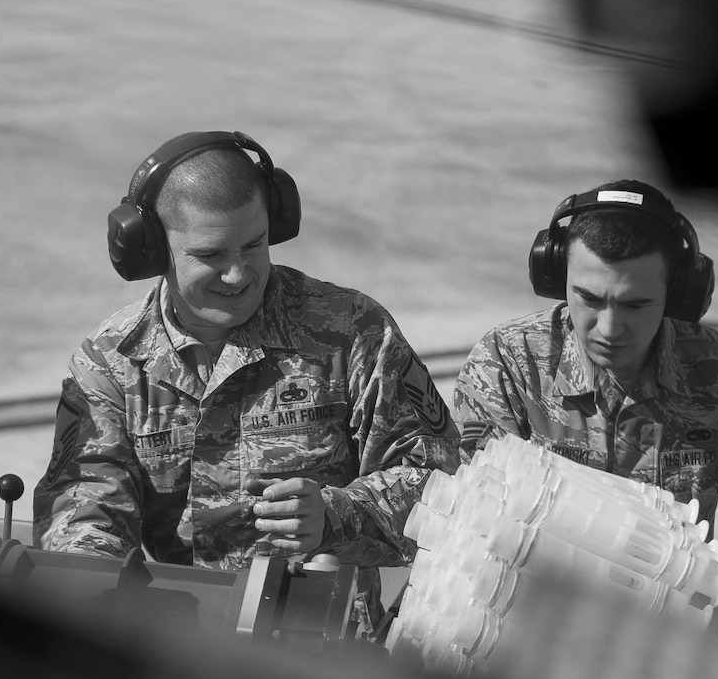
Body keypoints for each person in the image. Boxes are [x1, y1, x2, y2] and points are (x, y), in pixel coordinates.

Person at [34, 130, 457, 636]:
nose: (238, 275)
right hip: (169, 645)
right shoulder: (109, 362)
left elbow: (444, 487)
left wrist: (337, 515)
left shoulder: (352, 331)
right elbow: (83, 510)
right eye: (210, 255)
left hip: (324, 652)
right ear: (153, 252)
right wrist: (97, 598)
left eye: (254, 245)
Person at [451, 180, 718, 603]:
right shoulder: (508, 362)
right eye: (589, 299)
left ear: (676, 294)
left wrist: (698, 578)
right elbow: (469, 516)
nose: (610, 329)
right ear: (557, 276)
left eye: (635, 305)